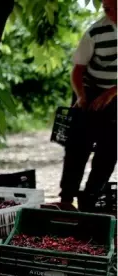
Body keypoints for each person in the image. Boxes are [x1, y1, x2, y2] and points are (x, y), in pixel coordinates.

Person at [59, 0, 117, 211]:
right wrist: (82, 96)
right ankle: (66, 199)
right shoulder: (94, 33)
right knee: (77, 147)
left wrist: (112, 93)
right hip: (89, 90)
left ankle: (91, 198)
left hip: (115, 93)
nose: (112, 13)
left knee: (109, 151)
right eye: (107, 8)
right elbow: (77, 70)